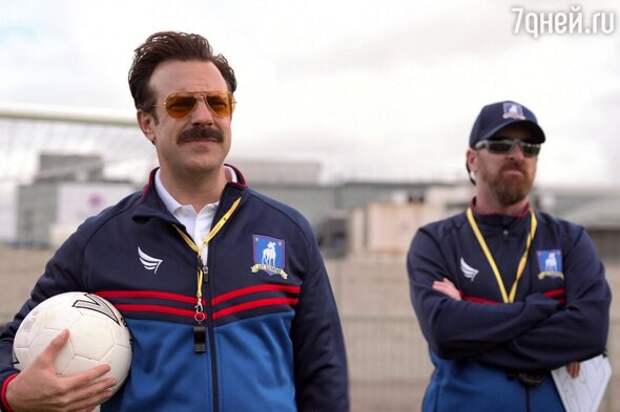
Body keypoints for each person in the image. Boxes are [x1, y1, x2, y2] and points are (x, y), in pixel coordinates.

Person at [0, 31, 349, 412]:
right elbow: (10, 343)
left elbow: (324, 373)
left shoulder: (287, 230)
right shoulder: (99, 241)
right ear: (148, 123)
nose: (204, 117)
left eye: (217, 103)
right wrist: (12, 392)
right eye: (181, 105)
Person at [407, 100, 611, 411]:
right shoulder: (436, 242)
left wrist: (472, 319)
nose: (517, 154)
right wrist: (540, 310)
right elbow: (445, 332)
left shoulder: (569, 240)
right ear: (472, 159)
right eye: (501, 144)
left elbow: (589, 332)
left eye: (529, 147)